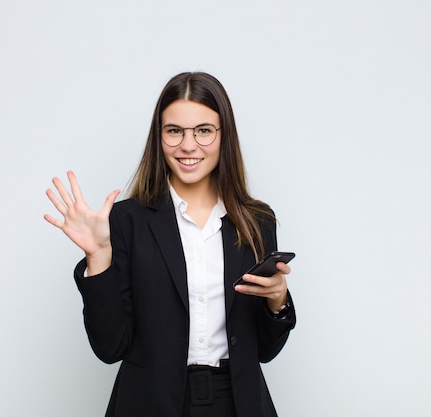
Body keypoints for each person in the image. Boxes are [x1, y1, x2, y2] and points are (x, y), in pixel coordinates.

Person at [44, 72, 296, 417]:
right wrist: (98, 257)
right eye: (174, 131)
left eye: (204, 131)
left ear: (224, 137)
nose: (188, 145)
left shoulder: (257, 221)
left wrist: (277, 300)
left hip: (237, 401)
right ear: (159, 137)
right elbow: (110, 347)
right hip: (149, 402)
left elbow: (265, 350)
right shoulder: (125, 221)